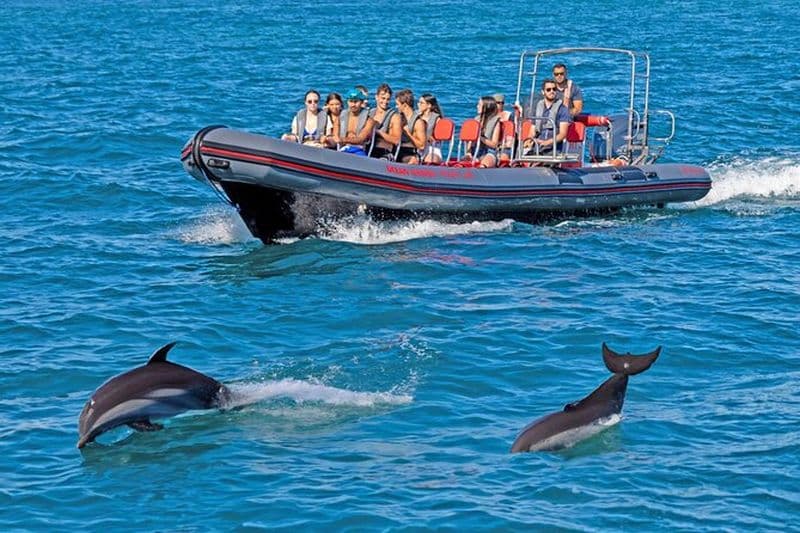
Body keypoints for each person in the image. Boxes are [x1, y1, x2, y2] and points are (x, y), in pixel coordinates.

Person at [522, 79, 570, 155]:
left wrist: (547, 142)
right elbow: (533, 130)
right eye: (548, 89)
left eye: (554, 89)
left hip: (553, 149)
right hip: (538, 147)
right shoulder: (538, 108)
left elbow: (563, 134)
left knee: (541, 161)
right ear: (543, 92)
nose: (552, 91)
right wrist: (529, 140)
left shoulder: (562, 109)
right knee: (522, 152)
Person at [368, 83, 402, 159]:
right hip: (368, 148)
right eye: (383, 98)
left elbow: (397, 140)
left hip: (385, 151)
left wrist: (378, 132)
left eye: (388, 99)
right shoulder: (370, 113)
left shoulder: (395, 117)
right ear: (376, 97)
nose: (385, 102)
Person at [394, 89, 427, 164]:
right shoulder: (398, 118)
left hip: (410, 153)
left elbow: (422, 146)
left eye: (398, 104)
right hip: (397, 150)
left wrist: (408, 133)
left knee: (411, 160)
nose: (396, 107)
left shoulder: (418, 123)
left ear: (405, 105)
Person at [467, 96, 502, 168]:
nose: (477, 106)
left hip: (489, 152)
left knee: (484, 163)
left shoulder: (495, 122)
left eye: (479, 105)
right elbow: (470, 141)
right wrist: (469, 152)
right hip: (476, 151)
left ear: (487, 107)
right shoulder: (476, 120)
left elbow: (494, 144)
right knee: (462, 161)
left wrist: (480, 137)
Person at [338, 89, 373, 156]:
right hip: (343, 149)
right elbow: (335, 137)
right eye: (351, 101)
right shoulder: (340, 117)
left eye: (356, 101)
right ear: (347, 102)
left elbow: (361, 139)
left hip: (359, 149)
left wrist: (342, 139)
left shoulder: (369, 120)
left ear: (361, 102)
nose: (353, 104)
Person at [417, 93, 444, 163]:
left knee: (429, 159)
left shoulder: (437, 119)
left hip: (432, 149)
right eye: (418, 102)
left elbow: (438, 139)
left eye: (421, 103)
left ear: (429, 105)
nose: (418, 104)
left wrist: (428, 136)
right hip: (418, 148)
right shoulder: (416, 116)